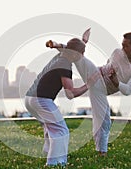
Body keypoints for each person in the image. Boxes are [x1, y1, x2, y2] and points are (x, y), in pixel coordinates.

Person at [46, 30, 131, 156]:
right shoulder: (117, 52)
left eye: (126, 46)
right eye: (122, 45)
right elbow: (109, 62)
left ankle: (102, 152)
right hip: (96, 74)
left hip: (102, 88)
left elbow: (128, 90)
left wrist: (117, 82)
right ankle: (57, 45)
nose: (122, 49)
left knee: (104, 120)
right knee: (78, 56)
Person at [25, 38, 100, 166]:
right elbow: (70, 94)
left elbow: (68, 47)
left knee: (50, 126)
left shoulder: (61, 55)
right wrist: (89, 84)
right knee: (60, 130)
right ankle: (55, 163)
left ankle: (48, 152)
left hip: (30, 99)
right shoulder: (65, 64)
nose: (83, 56)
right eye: (82, 53)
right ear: (76, 53)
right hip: (41, 100)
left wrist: (56, 44)